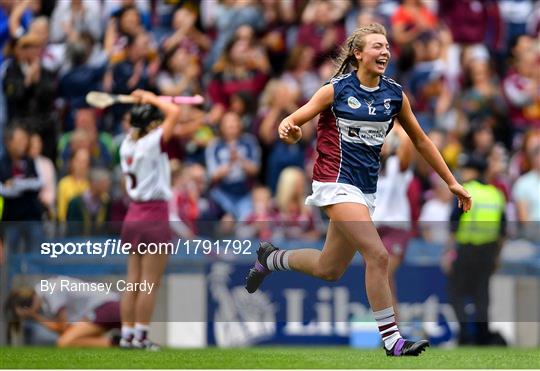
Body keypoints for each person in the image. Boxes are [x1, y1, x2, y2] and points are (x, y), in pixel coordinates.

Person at [244, 23, 472, 357]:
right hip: (334, 184)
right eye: (377, 46)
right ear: (358, 53)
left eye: (387, 47)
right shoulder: (334, 90)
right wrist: (289, 130)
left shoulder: (394, 95)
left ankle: (271, 258)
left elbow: (421, 140)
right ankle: (393, 340)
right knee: (378, 255)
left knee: (328, 269)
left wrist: (451, 181)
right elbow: (294, 123)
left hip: (364, 191)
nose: (385, 52)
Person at [118, 89, 180, 350]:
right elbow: (174, 113)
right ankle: (141, 337)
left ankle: (127, 335)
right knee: (149, 282)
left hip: (132, 214)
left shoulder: (126, 144)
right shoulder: (151, 142)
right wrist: (153, 97)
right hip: (153, 214)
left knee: (133, 279)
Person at [442, 154, 506, 346]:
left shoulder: (465, 190)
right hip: (488, 252)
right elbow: (503, 231)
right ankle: (482, 337)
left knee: (456, 293)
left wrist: (448, 253)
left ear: (473, 171)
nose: (462, 173)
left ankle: (464, 335)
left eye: (465, 169)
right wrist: (497, 257)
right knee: (482, 296)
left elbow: (454, 225)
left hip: (466, 250)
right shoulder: (496, 194)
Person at [5, 276, 120, 347]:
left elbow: (63, 328)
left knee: (65, 342)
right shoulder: (45, 291)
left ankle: (120, 344)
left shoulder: (50, 291)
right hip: (100, 309)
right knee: (68, 339)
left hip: (105, 308)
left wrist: (36, 316)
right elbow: (65, 329)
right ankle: (119, 341)